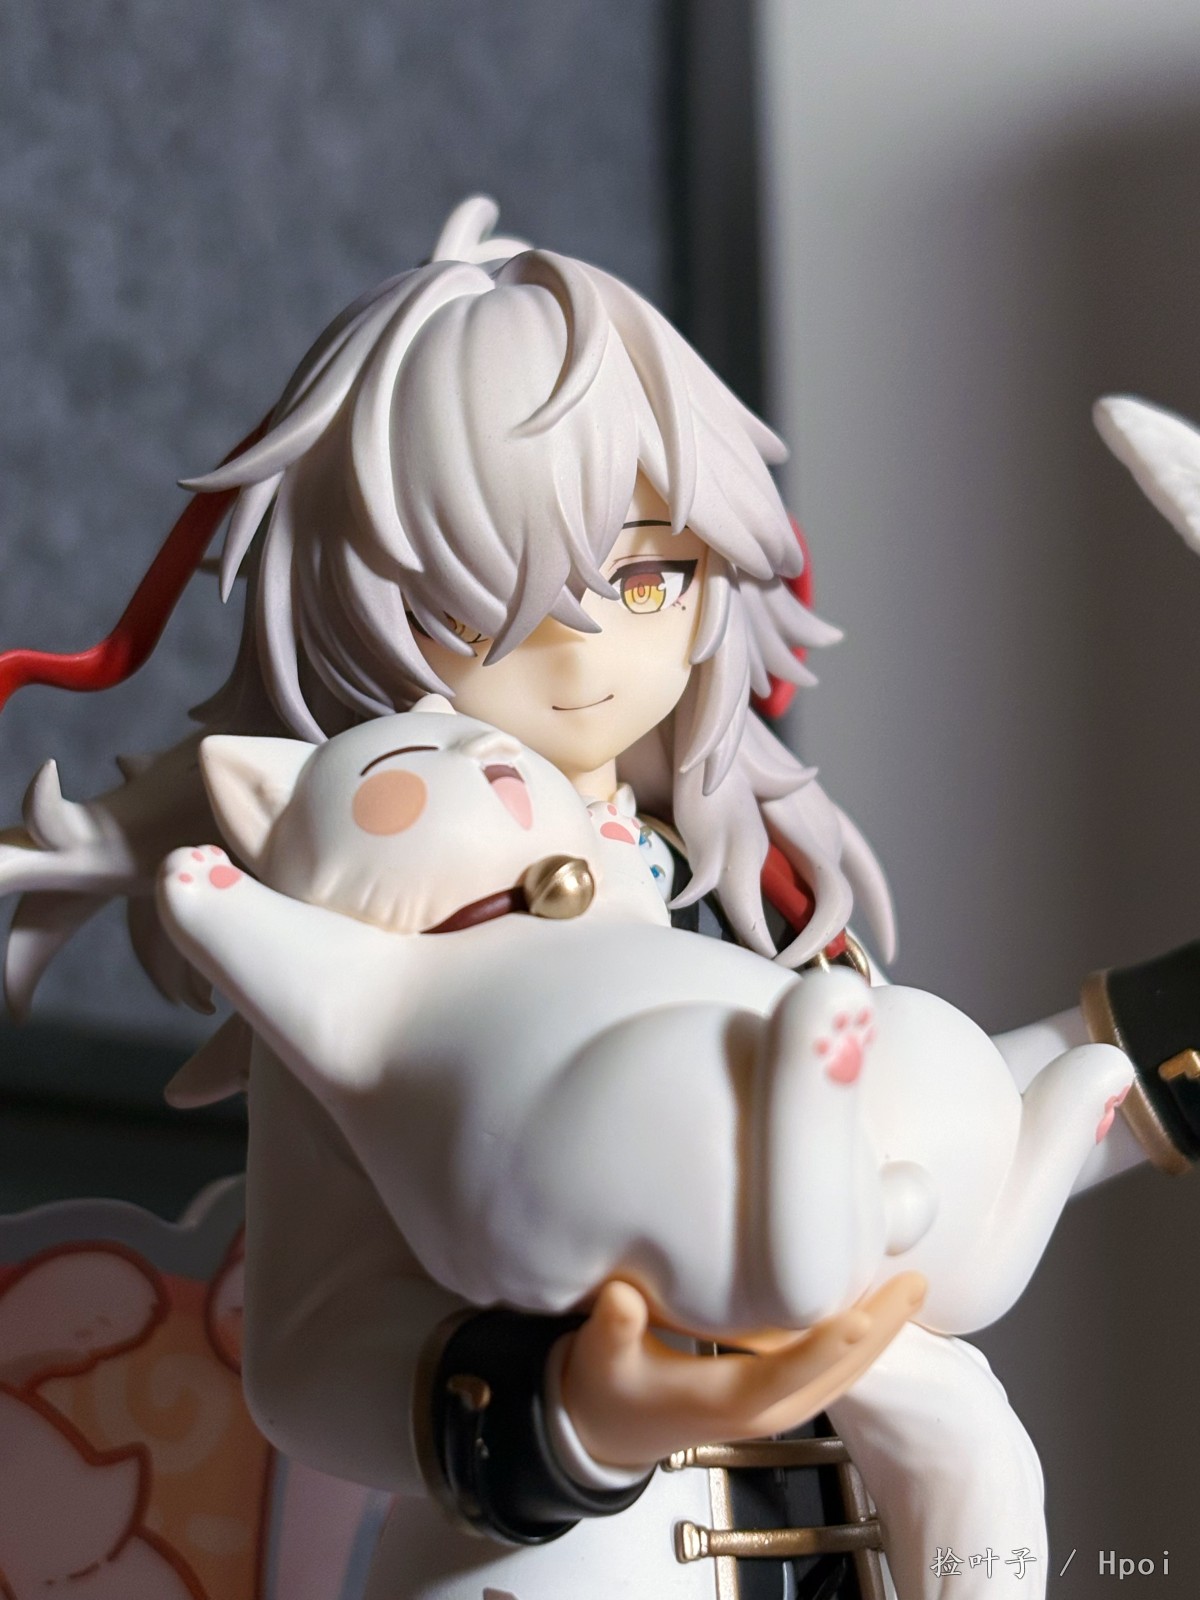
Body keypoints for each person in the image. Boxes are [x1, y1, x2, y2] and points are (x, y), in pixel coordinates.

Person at [0, 198, 1185, 1600]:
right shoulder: (380, 945)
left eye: (648, 574)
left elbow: (946, 1149)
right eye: (476, 598)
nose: (581, 648)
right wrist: (567, 1412)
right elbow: (310, 1360)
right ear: (351, 604)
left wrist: (1164, 1035)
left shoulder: (753, 899)